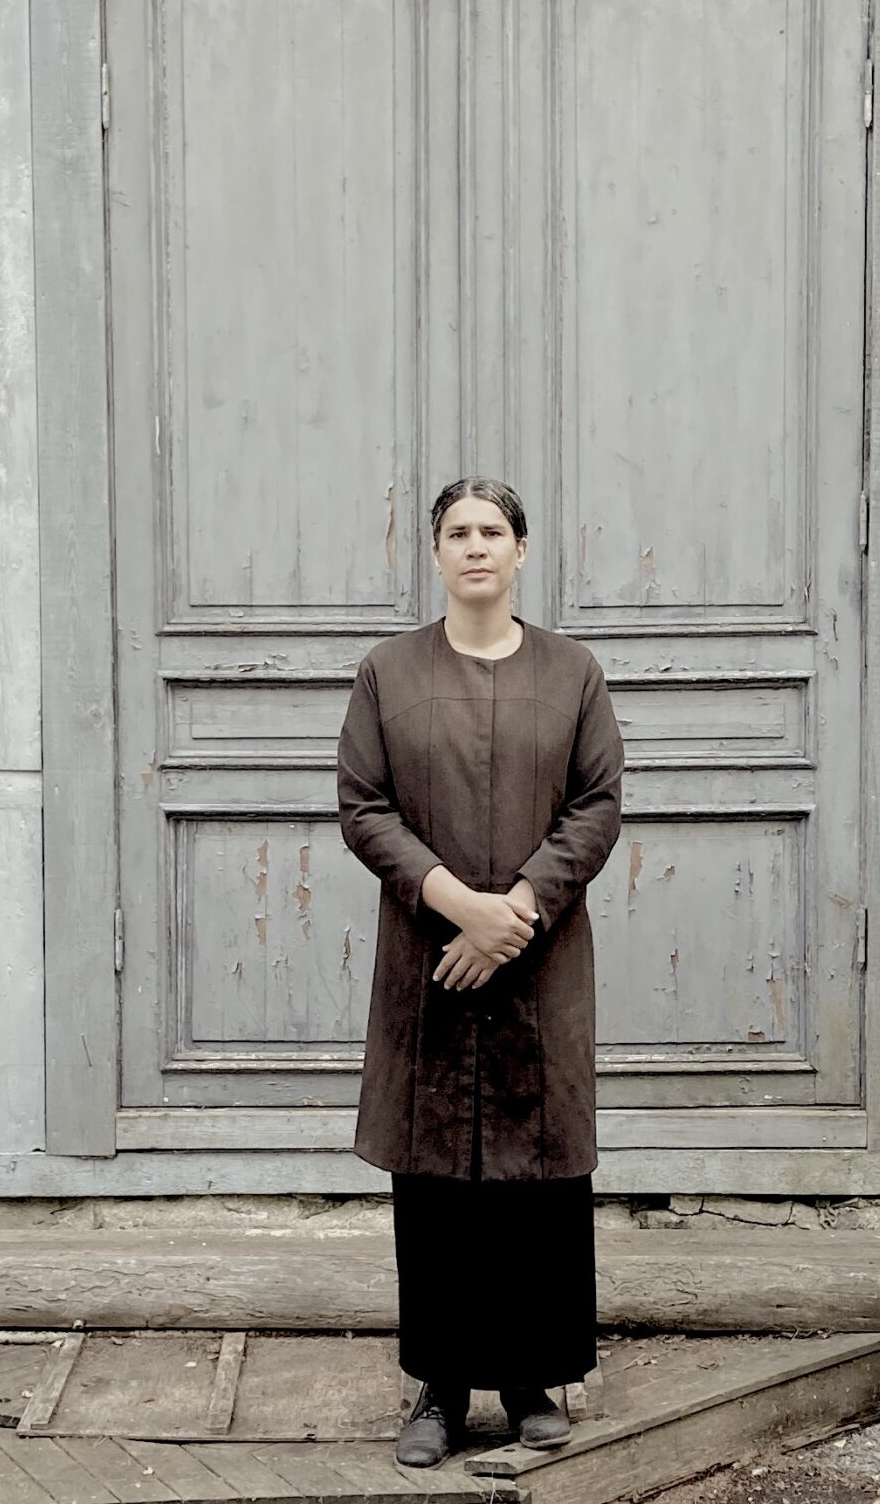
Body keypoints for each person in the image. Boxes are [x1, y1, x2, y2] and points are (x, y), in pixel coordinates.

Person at [336, 476, 625, 1469]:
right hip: (432, 961)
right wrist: (455, 902)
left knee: (537, 1175)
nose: (474, 546)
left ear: (521, 550)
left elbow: (596, 801)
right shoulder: (387, 671)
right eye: (456, 531)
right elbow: (363, 804)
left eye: (491, 531)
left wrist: (516, 913)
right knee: (439, 1182)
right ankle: (441, 1385)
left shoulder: (572, 671)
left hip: (539, 965)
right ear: (434, 552)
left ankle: (534, 1377)